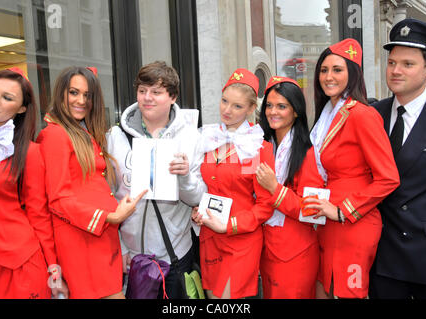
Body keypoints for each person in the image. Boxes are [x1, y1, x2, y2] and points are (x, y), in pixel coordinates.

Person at [302, 38, 400, 298]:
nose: (328, 77)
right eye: (324, 70)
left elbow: (388, 178)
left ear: (352, 74)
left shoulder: (362, 115)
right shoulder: (327, 114)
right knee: (326, 289)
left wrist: (342, 211)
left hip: (354, 223)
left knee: (349, 293)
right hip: (327, 222)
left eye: (337, 70)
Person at [37, 66, 145, 299]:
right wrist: (110, 216)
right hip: (81, 244)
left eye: (87, 95)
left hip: (101, 241)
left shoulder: (83, 134)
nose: (81, 100)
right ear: (60, 94)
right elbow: (58, 199)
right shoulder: (55, 135)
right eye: (73, 92)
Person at [107, 61, 207, 299]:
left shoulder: (191, 137)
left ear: (172, 96)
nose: (147, 98)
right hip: (131, 256)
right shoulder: (115, 137)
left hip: (174, 254)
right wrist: (119, 249)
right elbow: (107, 195)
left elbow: (198, 198)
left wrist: (184, 178)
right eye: (142, 91)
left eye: (156, 92)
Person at [191, 68, 275, 299]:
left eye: (237, 106)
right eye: (224, 101)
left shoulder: (256, 147)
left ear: (250, 109)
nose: (227, 110)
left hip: (240, 239)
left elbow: (265, 205)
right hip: (209, 236)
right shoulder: (208, 139)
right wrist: (196, 210)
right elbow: (203, 187)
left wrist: (230, 225)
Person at [0, 68, 64, 298]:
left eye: (7, 98)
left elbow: (39, 215)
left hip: (17, 266)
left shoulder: (30, 153)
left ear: (21, 108)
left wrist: (53, 266)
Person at [369, 18, 426, 299]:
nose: (395, 70)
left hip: (425, 257)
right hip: (379, 255)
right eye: (392, 62)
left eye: (408, 64)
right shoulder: (372, 115)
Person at [255, 76, 322, 298]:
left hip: (295, 252)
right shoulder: (260, 145)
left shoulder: (307, 152)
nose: (273, 111)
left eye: (282, 106)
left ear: (296, 112)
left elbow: (312, 211)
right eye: (269, 105)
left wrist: (275, 189)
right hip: (265, 247)